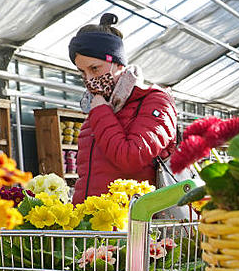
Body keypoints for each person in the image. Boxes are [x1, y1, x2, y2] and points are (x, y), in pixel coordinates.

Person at [68, 13, 177, 204]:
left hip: (136, 224)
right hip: (95, 225)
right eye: (82, 72)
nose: (89, 79)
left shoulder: (155, 101)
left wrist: (101, 113)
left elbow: (131, 157)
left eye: (95, 68)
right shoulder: (97, 108)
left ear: (118, 63)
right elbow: (88, 177)